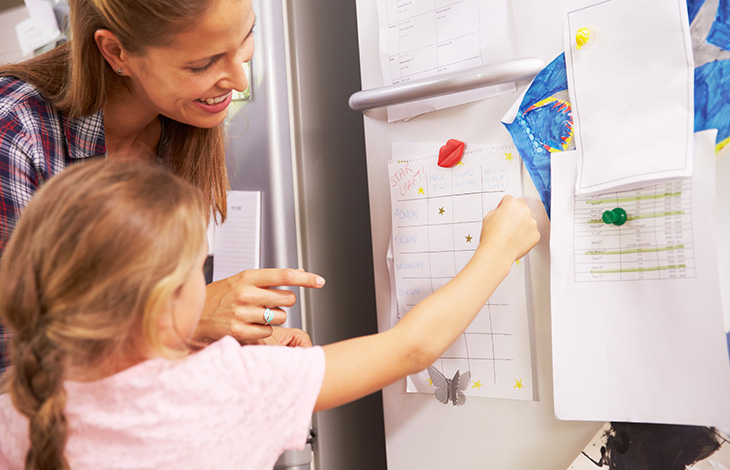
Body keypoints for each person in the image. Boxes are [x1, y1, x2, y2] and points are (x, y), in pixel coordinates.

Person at [0, 160, 539, 469]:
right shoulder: (233, 385)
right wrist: (497, 251)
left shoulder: (17, 401)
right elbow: (411, 349)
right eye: (198, 267)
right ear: (165, 305)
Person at [0, 0, 319, 371]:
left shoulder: (175, 125)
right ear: (116, 51)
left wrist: (228, 344)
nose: (240, 79)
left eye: (247, 36)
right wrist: (186, 320)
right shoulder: (15, 135)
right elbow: (13, 366)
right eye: (203, 63)